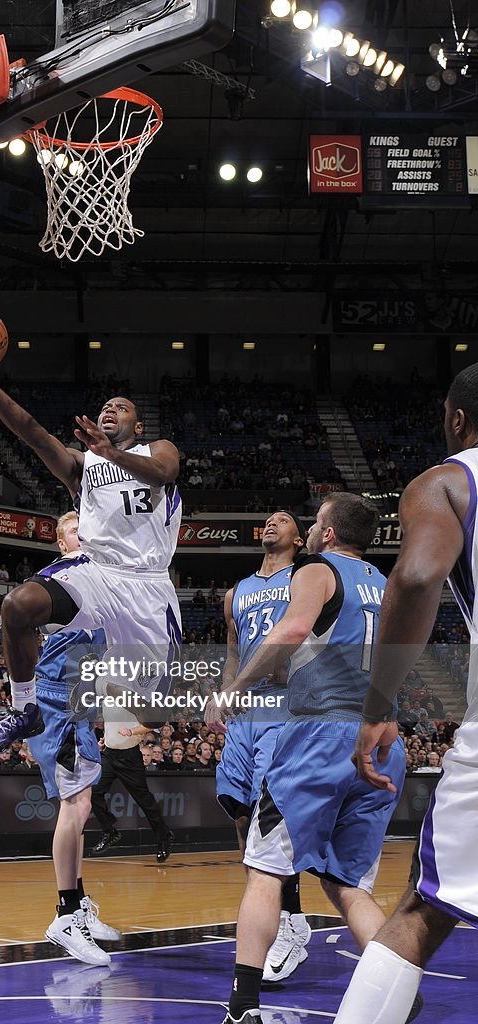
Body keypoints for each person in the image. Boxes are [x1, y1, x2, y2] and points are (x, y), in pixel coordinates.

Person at [218, 493, 408, 1024]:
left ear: (325, 533)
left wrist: (237, 686)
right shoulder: (387, 584)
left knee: (264, 871)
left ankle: (242, 1006)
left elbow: (293, 629)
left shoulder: (318, 570)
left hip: (321, 734)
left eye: (316, 518)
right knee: (348, 885)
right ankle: (397, 992)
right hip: (383, 741)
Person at [0, 344, 182, 745]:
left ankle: (109, 684)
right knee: (18, 606)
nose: (111, 410)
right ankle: (25, 708)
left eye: (121, 407)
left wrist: (111, 454)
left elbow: (161, 473)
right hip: (98, 571)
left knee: (155, 714)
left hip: (149, 588)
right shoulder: (83, 466)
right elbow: (32, 433)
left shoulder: (156, 449)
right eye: (106, 406)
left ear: (138, 426)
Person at [335, 364, 478, 1023]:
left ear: (456, 420)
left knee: (423, 913)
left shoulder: (450, 479)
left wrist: (377, 708)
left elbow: (418, 577)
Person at [7, 512, 121, 965]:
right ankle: (66, 914)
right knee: (75, 806)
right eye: (75, 529)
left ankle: (77, 904)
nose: (85, 534)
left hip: (80, 705)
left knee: (82, 805)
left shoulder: (97, 583)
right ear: (60, 541)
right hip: (56, 704)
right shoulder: (57, 584)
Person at [213, 510, 311, 982]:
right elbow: (233, 650)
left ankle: (291, 921)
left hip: (287, 706)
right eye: (268, 520)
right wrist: (227, 693)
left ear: (298, 538)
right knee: (237, 808)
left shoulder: (308, 577)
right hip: (246, 709)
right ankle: (275, 910)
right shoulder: (237, 592)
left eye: (284, 519)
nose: (272, 523)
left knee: (269, 817)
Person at [88, 717, 174, 863]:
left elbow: (153, 723)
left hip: (130, 757)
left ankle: (163, 836)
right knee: (93, 792)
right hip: (108, 754)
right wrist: (106, 739)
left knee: (144, 800)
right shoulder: (106, 698)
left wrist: (131, 731)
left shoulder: (134, 698)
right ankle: (109, 831)